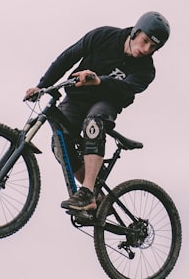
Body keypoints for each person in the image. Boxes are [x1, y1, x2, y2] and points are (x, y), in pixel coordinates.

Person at [24, 11, 171, 211]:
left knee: (93, 123)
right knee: (60, 144)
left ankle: (86, 192)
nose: (145, 49)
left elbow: (126, 88)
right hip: (76, 99)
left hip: (106, 102)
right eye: (144, 41)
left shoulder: (146, 71)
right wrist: (42, 85)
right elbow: (68, 57)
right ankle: (97, 197)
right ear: (136, 31)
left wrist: (99, 80)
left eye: (153, 47)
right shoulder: (103, 36)